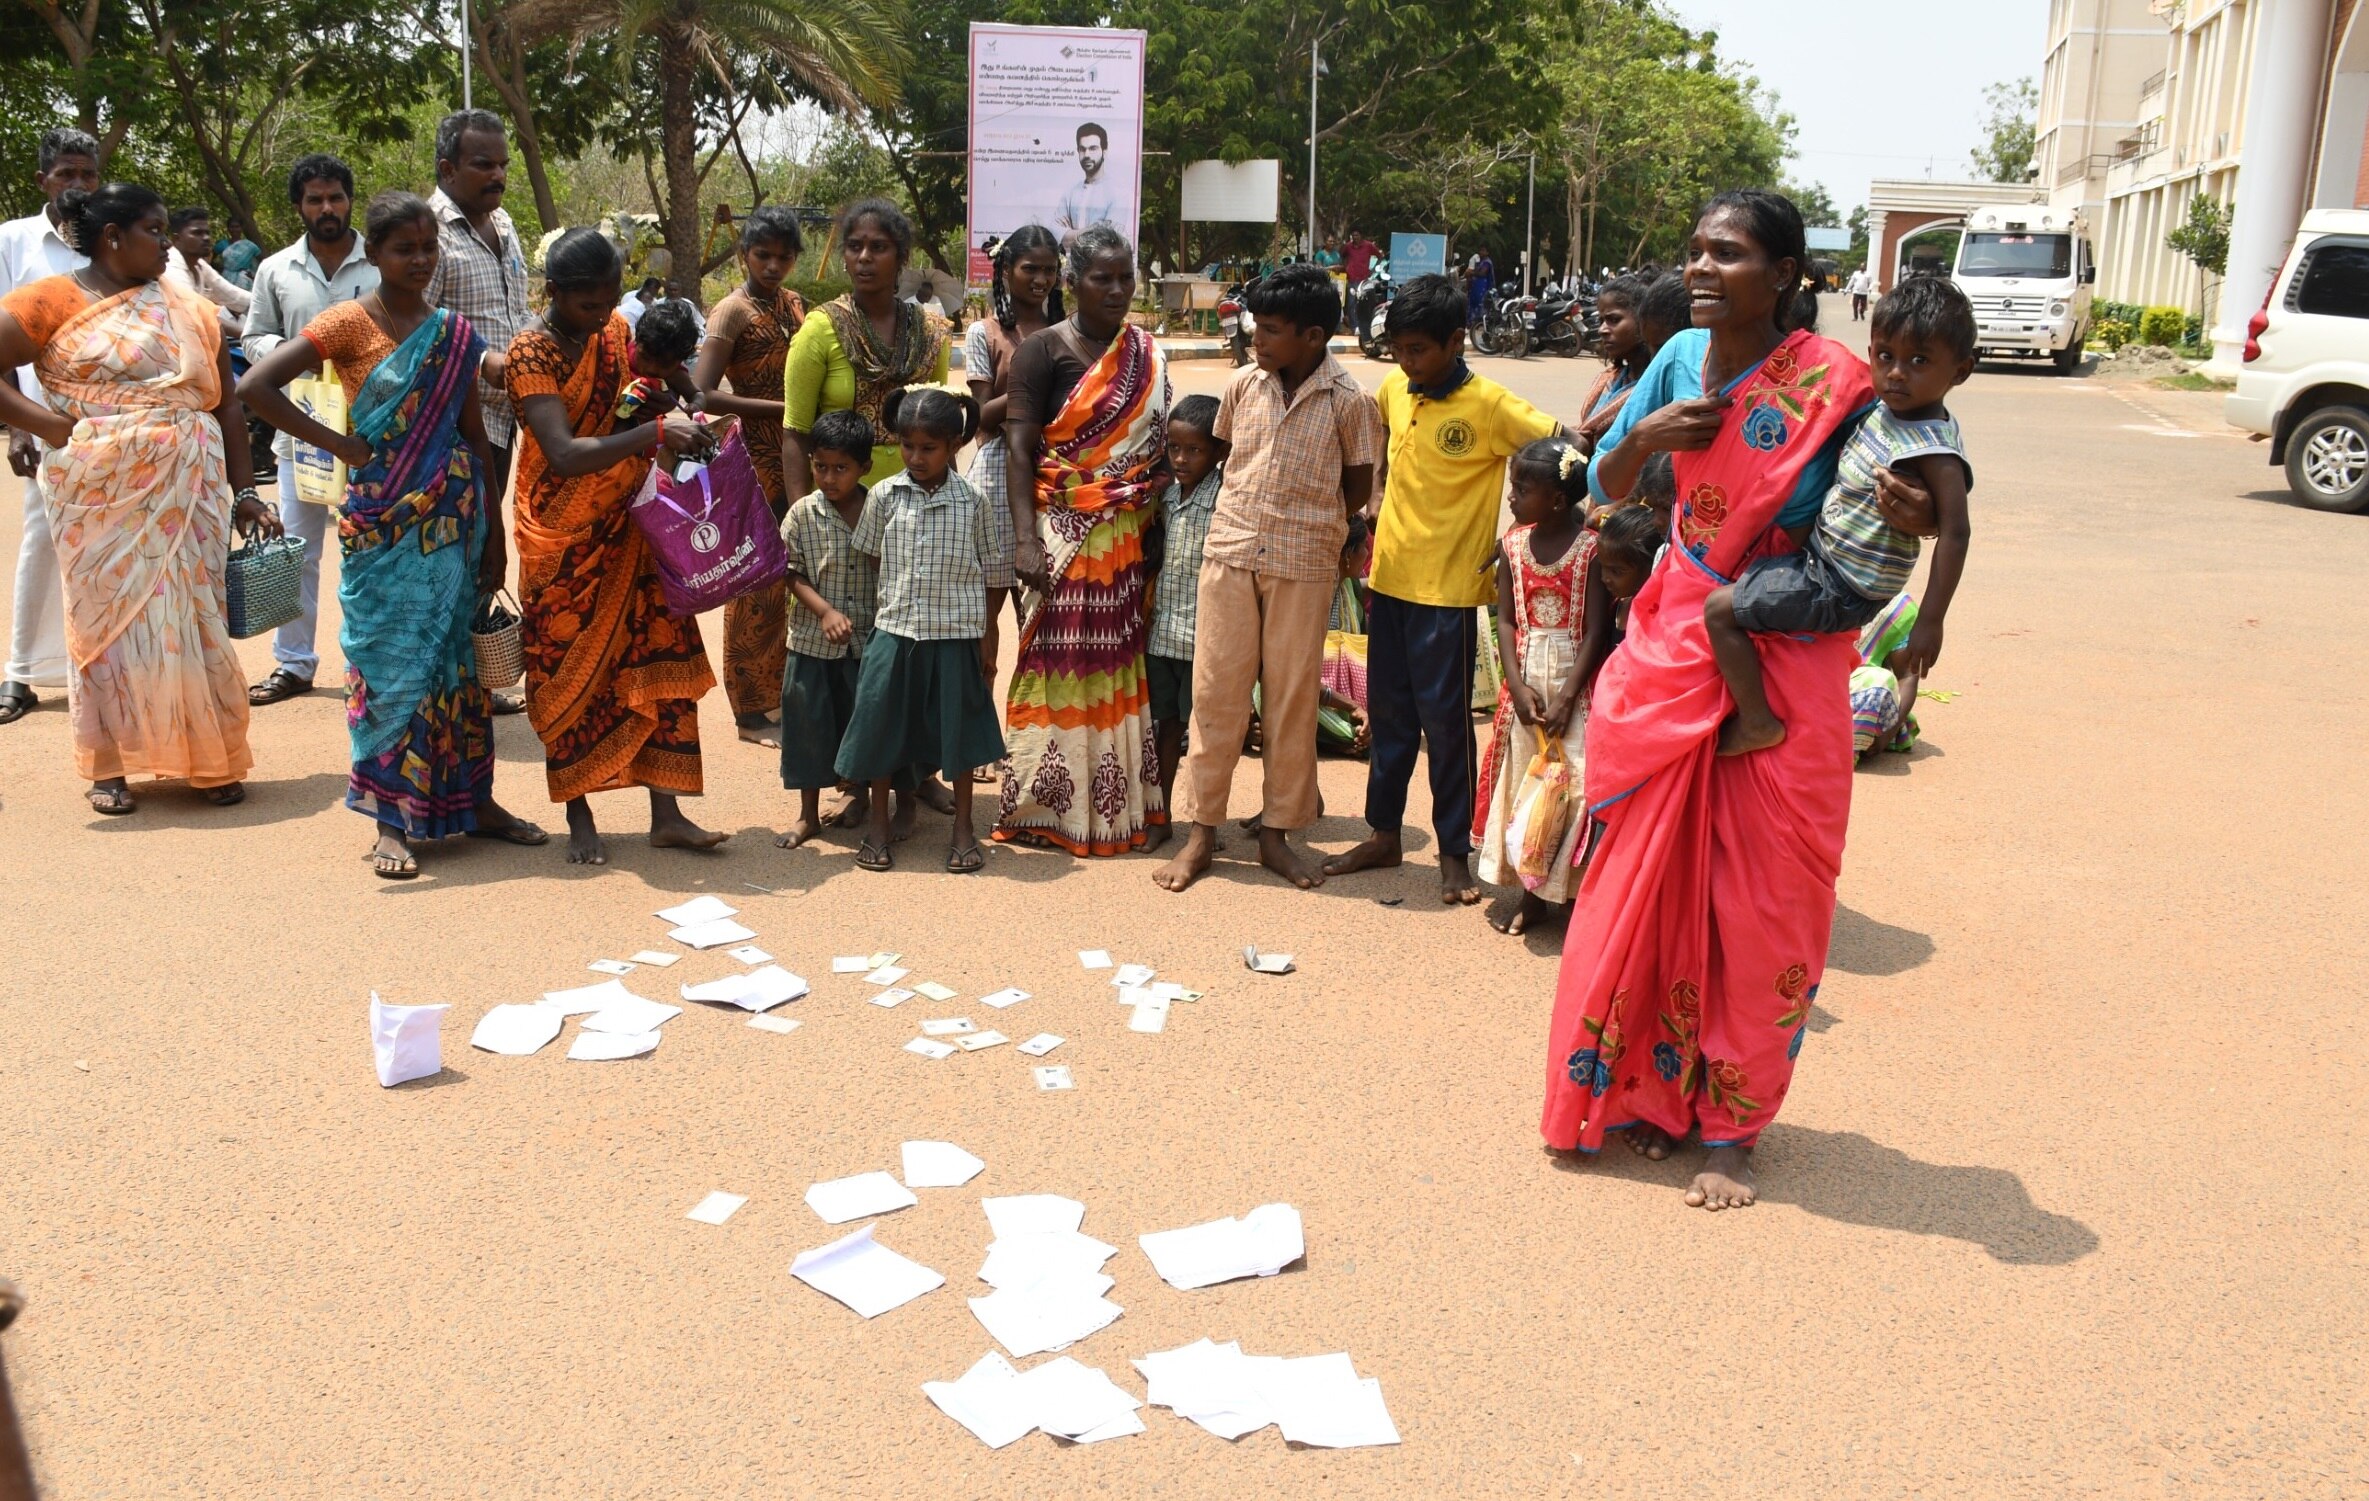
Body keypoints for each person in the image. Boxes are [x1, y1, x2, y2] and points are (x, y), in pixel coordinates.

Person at [1545, 189, 1940, 1210]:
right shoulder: (1674, 360)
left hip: (1789, 646)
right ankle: (1647, 1090)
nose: (1699, 268)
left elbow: (1907, 492)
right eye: (1691, 252)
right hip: (1676, 631)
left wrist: (1915, 512)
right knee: (1642, 877)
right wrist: (1649, 440)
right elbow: (1601, 483)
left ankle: (1732, 1126)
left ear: (1783, 274)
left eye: (1724, 253)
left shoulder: (1839, 382)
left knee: (1765, 902)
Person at [236, 191, 548, 877]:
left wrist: (493, 536)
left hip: (454, 520)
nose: (418, 260)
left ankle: (478, 801)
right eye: (403, 248)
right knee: (384, 664)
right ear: (372, 253)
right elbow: (255, 387)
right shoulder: (346, 323)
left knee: (457, 669)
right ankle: (390, 819)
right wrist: (338, 445)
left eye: (428, 248)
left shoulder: (454, 333)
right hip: (381, 525)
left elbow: (475, 434)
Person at [0, 182, 274, 813]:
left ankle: (210, 761)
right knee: (105, 624)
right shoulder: (50, 300)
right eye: (154, 230)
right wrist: (40, 425)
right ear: (112, 237)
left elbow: (227, 405)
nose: (165, 243)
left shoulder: (186, 306)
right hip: (95, 493)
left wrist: (245, 492)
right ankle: (111, 766)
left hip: (191, 486)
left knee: (192, 618)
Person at [1323, 274, 1563, 904]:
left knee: (1447, 730)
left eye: (1419, 350)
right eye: (1398, 350)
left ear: (1456, 340)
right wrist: (1373, 498)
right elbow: (1379, 443)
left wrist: (1521, 538)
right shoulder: (1397, 389)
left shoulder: (1490, 405)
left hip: (1451, 597)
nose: (1407, 363)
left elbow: (1566, 454)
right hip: (1390, 583)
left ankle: (1454, 851)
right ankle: (1383, 833)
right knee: (1391, 720)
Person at [1153, 264, 1381, 893]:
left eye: (1271, 329)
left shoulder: (1350, 401)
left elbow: (1357, 488)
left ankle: (1277, 834)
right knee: (1216, 694)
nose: (1257, 337)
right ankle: (1203, 831)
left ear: (1312, 336)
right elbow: (1229, 457)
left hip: (1304, 563)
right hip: (1229, 551)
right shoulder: (1241, 387)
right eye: (1257, 324)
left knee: (1290, 701)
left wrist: (1325, 531)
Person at [503, 228, 725, 866]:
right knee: (565, 667)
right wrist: (657, 430)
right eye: (586, 306)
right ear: (554, 293)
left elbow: (660, 373)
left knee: (657, 654)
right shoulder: (530, 354)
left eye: (607, 304)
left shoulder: (612, 334)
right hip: (560, 532)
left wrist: (688, 399)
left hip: (628, 522)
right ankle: (579, 812)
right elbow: (567, 455)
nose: (601, 318)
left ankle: (668, 812)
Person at [1704, 276, 1974, 757]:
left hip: (1840, 585)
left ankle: (1757, 722)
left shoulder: (1933, 449)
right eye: (1885, 355)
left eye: (1919, 361)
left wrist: (1932, 622)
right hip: (1826, 561)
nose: (1895, 373)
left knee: (1718, 610)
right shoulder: (1888, 410)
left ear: (1961, 371)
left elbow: (1955, 531)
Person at [994, 225, 1173, 857]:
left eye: (1127, 278)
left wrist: (1152, 525)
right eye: (1103, 278)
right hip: (1060, 533)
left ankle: (1115, 807)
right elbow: (1019, 448)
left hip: (1125, 533)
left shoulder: (1146, 353)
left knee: (1117, 667)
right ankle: (1045, 807)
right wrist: (1023, 542)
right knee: (1054, 665)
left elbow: (1156, 454)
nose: (1118, 290)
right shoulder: (1041, 351)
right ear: (1072, 282)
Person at [781, 198, 958, 814]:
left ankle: (915, 773)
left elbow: (933, 418)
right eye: (854, 245)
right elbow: (795, 430)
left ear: (901, 258)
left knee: (913, 642)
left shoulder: (931, 334)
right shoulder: (819, 330)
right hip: (842, 510)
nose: (863, 257)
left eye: (878, 247)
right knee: (861, 656)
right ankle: (862, 780)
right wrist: (808, 510)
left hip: (913, 510)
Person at [835, 387, 1011, 873]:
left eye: (928, 448)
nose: (915, 457)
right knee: (882, 728)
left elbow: (993, 572)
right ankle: (879, 825)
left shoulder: (974, 501)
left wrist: (984, 638)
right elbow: (872, 556)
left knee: (959, 737)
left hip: (954, 638)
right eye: (907, 446)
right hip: (895, 633)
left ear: (955, 444)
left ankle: (963, 830)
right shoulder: (886, 497)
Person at [1471, 450, 1633, 936]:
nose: (1511, 497)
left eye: (1522, 489)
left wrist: (1566, 697)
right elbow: (1503, 618)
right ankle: (1530, 891)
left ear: (1558, 500)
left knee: (1575, 782)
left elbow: (1596, 629)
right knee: (1527, 781)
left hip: (1574, 685)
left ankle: (1565, 889)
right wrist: (1517, 686)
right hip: (1525, 681)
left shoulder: (1590, 550)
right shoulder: (1513, 545)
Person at [241, 152, 377, 708]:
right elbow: (252, 338)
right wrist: (290, 356)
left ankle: (369, 663)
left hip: (371, 436)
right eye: (316, 199)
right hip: (299, 432)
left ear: (350, 200)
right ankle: (293, 665)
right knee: (296, 549)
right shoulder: (275, 269)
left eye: (336, 197)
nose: (328, 208)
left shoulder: (380, 262)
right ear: (300, 206)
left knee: (369, 552)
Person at [424, 110, 531, 718]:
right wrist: (483, 365)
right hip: (455, 426)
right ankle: (454, 686)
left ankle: (477, 680)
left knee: (484, 549)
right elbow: (416, 334)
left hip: (507, 419)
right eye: (483, 164)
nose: (498, 176)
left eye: (503, 165)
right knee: (459, 552)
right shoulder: (429, 233)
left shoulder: (505, 224)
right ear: (447, 169)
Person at [692, 204, 809, 746]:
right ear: (744, 254)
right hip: (754, 458)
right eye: (764, 255)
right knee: (753, 581)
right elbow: (702, 392)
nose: (774, 265)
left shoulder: (793, 305)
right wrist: (780, 409)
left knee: (789, 576)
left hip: (794, 454)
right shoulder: (730, 312)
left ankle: (779, 694)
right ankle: (749, 712)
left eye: (784, 257)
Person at [0, 127, 100, 727]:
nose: (79, 186)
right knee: (42, 539)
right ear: (43, 181)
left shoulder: (109, 234)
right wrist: (16, 428)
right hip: (43, 420)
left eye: (88, 174)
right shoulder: (13, 240)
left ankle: (99, 666)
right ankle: (19, 672)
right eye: (67, 174)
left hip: (114, 421)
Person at [773, 409, 902, 849]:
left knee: (867, 724)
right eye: (820, 466)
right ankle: (808, 815)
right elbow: (790, 573)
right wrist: (825, 611)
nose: (829, 478)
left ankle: (867, 800)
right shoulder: (801, 515)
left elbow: (894, 571)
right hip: (811, 645)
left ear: (865, 467)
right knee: (809, 729)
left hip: (869, 644)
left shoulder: (882, 510)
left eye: (841, 468)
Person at [963, 224, 1062, 781]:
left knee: (1045, 613)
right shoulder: (985, 333)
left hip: (1054, 477)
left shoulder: (1066, 329)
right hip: (1000, 475)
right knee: (988, 611)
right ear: (1006, 271)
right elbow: (979, 417)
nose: (1041, 279)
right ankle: (983, 737)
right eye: (1031, 269)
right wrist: (1028, 386)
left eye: (1049, 270)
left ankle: (1036, 734)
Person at [1143, 394, 1224, 845]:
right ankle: (1161, 816)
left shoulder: (1222, 500)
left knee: (1206, 737)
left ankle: (1205, 824)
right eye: (1174, 448)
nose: (1181, 458)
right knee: (1164, 730)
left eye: (1194, 450)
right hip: (1162, 639)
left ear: (1217, 452)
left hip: (1202, 642)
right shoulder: (1167, 498)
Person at [1575, 272, 1652, 453]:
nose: (1602, 329)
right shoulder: (1610, 380)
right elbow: (1586, 430)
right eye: (1601, 320)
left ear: (1644, 320)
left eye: (1614, 320)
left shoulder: (1652, 390)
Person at [162, 207, 250, 340]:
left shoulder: (199, 265)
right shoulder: (171, 268)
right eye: (197, 233)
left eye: (207, 233)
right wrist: (248, 335)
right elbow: (195, 313)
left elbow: (232, 295)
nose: (206, 238)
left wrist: (274, 302)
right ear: (176, 239)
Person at [1056, 122, 1120, 246]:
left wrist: (1070, 233)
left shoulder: (1117, 193)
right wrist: (1094, 229)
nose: (1087, 155)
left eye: (1093, 148)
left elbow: (1108, 239)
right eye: (1082, 149)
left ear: (1104, 152)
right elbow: (1055, 233)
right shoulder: (1070, 193)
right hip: (1071, 264)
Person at [1465, 249, 1494, 325]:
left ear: (1487, 252)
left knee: (1481, 304)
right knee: (1473, 303)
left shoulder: (1487, 262)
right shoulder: (1478, 262)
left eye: (1484, 250)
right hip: (1476, 287)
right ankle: (1471, 322)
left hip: (1484, 287)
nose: (1481, 252)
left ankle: (1480, 323)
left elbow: (1482, 273)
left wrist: (1471, 272)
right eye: (1481, 250)